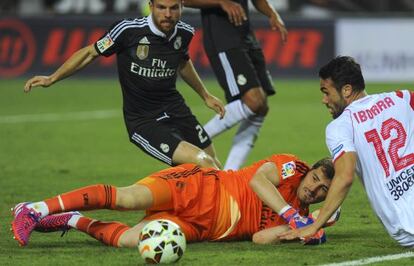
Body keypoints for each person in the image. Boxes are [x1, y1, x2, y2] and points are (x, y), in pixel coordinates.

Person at [23, 0, 225, 169]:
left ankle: (231, 213)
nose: (168, 14)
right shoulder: (128, 31)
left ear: (182, 6)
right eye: (161, 7)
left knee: (215, 163)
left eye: (174, 8)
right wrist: (53, 78)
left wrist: (205, 95)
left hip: (176, 108)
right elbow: (90, 53)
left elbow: (182, 62)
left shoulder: (185, 32)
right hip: (144, 121)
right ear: (151, 6)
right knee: (203, 165)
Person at [11, 154, 334, 247]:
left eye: (322, 191)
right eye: (315, 180)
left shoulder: (302, 217)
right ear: (310, 171)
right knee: (126, 199)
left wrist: (304, 231)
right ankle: (34, 208)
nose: (314, 189)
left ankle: (72, 219)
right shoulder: (292, 168)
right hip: (200, 187)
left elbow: (260, 238)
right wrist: (292, 216)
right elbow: (257, 179)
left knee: (128, 240)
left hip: (200, 228)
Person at [280, 56, 414, 247]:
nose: (323, 100)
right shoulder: (402, 98)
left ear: (347, 90)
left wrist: (315, 225)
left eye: (327, 92)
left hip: (407, 225)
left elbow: (344, 176)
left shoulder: (341, 126)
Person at [183, 0, 288, 170]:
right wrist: (221, 1)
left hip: (246, 34)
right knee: (254, 101)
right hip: (222, 37)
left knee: (261, 108)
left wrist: (272, 13)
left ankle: (229, 175)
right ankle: (193, 140)